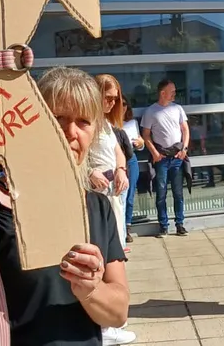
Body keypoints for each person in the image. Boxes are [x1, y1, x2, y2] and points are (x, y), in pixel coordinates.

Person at [0, 66, 130, 346]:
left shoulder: (97, 207)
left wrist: (91, 290)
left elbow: (118, 313)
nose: (70, 132)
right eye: (58, 118)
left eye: (83, 122)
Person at [88, 76, 136, 346]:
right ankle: (104, 325)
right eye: (107, 97)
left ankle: (111, 319)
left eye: (115, 98)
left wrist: (120, 170)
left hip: (111, 197)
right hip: (93, 196)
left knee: (114, 256)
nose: (111, 102)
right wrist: (89, 172)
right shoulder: (86, 120)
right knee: (101, 258)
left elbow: (118, 150)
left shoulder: (106, 122)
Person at [141, 79, 190, 237]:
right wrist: (154, 153)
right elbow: (146, 135)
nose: (175, 94)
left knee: (178, 192)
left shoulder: (178, 109)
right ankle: (163, 225)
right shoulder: (151, 111)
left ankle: (180, 224)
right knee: (161, 192)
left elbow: (185, 130)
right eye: (172, 91)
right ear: (163, 93)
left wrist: (184, 148)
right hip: (161, 157)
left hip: (176, 156)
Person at [121, 100, 143, 244]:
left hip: (132, 159)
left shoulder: (131, 123)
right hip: (117, 161)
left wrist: (141, 144)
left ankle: (127, 227)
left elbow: (141, 144)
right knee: (120, 197)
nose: (122, 107)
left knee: (129, 196)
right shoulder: (108, 123)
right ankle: (119, 229)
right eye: (119, 103)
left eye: (124, 104)